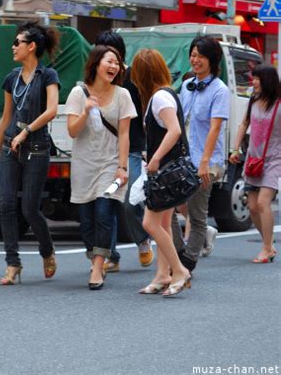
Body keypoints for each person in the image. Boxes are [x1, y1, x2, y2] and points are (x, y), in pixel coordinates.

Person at [0, 22, 60, 285]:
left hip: (37, 148)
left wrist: (26, 131)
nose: (13, 46)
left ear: (31, 46)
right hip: (12, 147)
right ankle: (12, 263)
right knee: (6, 205)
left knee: (29, 209)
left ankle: (47, 251)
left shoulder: (48, 76)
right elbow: (7, 116)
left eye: (17, 42)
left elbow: (52, 109)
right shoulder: (11, 78)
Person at [65, 45, 136, 290]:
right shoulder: (78, 93)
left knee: (105, 213)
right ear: (96, 64)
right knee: (86, 220)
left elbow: (125, 133)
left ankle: (98, 266)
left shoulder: (122, 95)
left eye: (117, 63)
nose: (114, 67)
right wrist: (85, 111)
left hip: (110, 163)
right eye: (110, 61)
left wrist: (123, 166)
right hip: (84, 164)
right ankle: (94, 256)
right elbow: (73, 131)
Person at [131, 49, 192, 297]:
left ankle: (179, 270)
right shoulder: (165, 94)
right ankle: (162, 274)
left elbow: (175, 130)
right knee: (163, 223)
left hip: (165, 171)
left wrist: (155, 157)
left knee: (149, 223)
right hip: (168, 170)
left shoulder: (159, 97)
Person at [95, 31, 153, 272]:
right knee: (107, 203)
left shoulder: (133, 77)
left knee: (129, 202)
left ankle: (142, 240)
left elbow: (147, 113)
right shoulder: (96, 79)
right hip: (105, 150)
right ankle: (111, 257)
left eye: (111, 53)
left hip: (134, 148)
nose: (106, 59)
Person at [171, 36, 229, 273]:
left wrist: (204, 162)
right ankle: (177, 253)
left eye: (200, 56)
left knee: (196, 214)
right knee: (168, 208)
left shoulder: (220, 90)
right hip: (184, 159)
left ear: (212, 60)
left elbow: (215, 128)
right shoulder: (186, 86)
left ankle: (188, 262)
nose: (195, 60)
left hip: (207, 161)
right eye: (193, 55)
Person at [229, 64, 280, 263]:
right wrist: (236, 148)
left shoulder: (279, 104)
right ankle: (268, 242)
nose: (254, 82)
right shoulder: (253, 101)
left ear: (267, 81)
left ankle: (267, 248)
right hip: (253, 159)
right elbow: (244, 124)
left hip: (275, 159)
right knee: (251, 206)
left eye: (257, 78)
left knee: (262, 202)